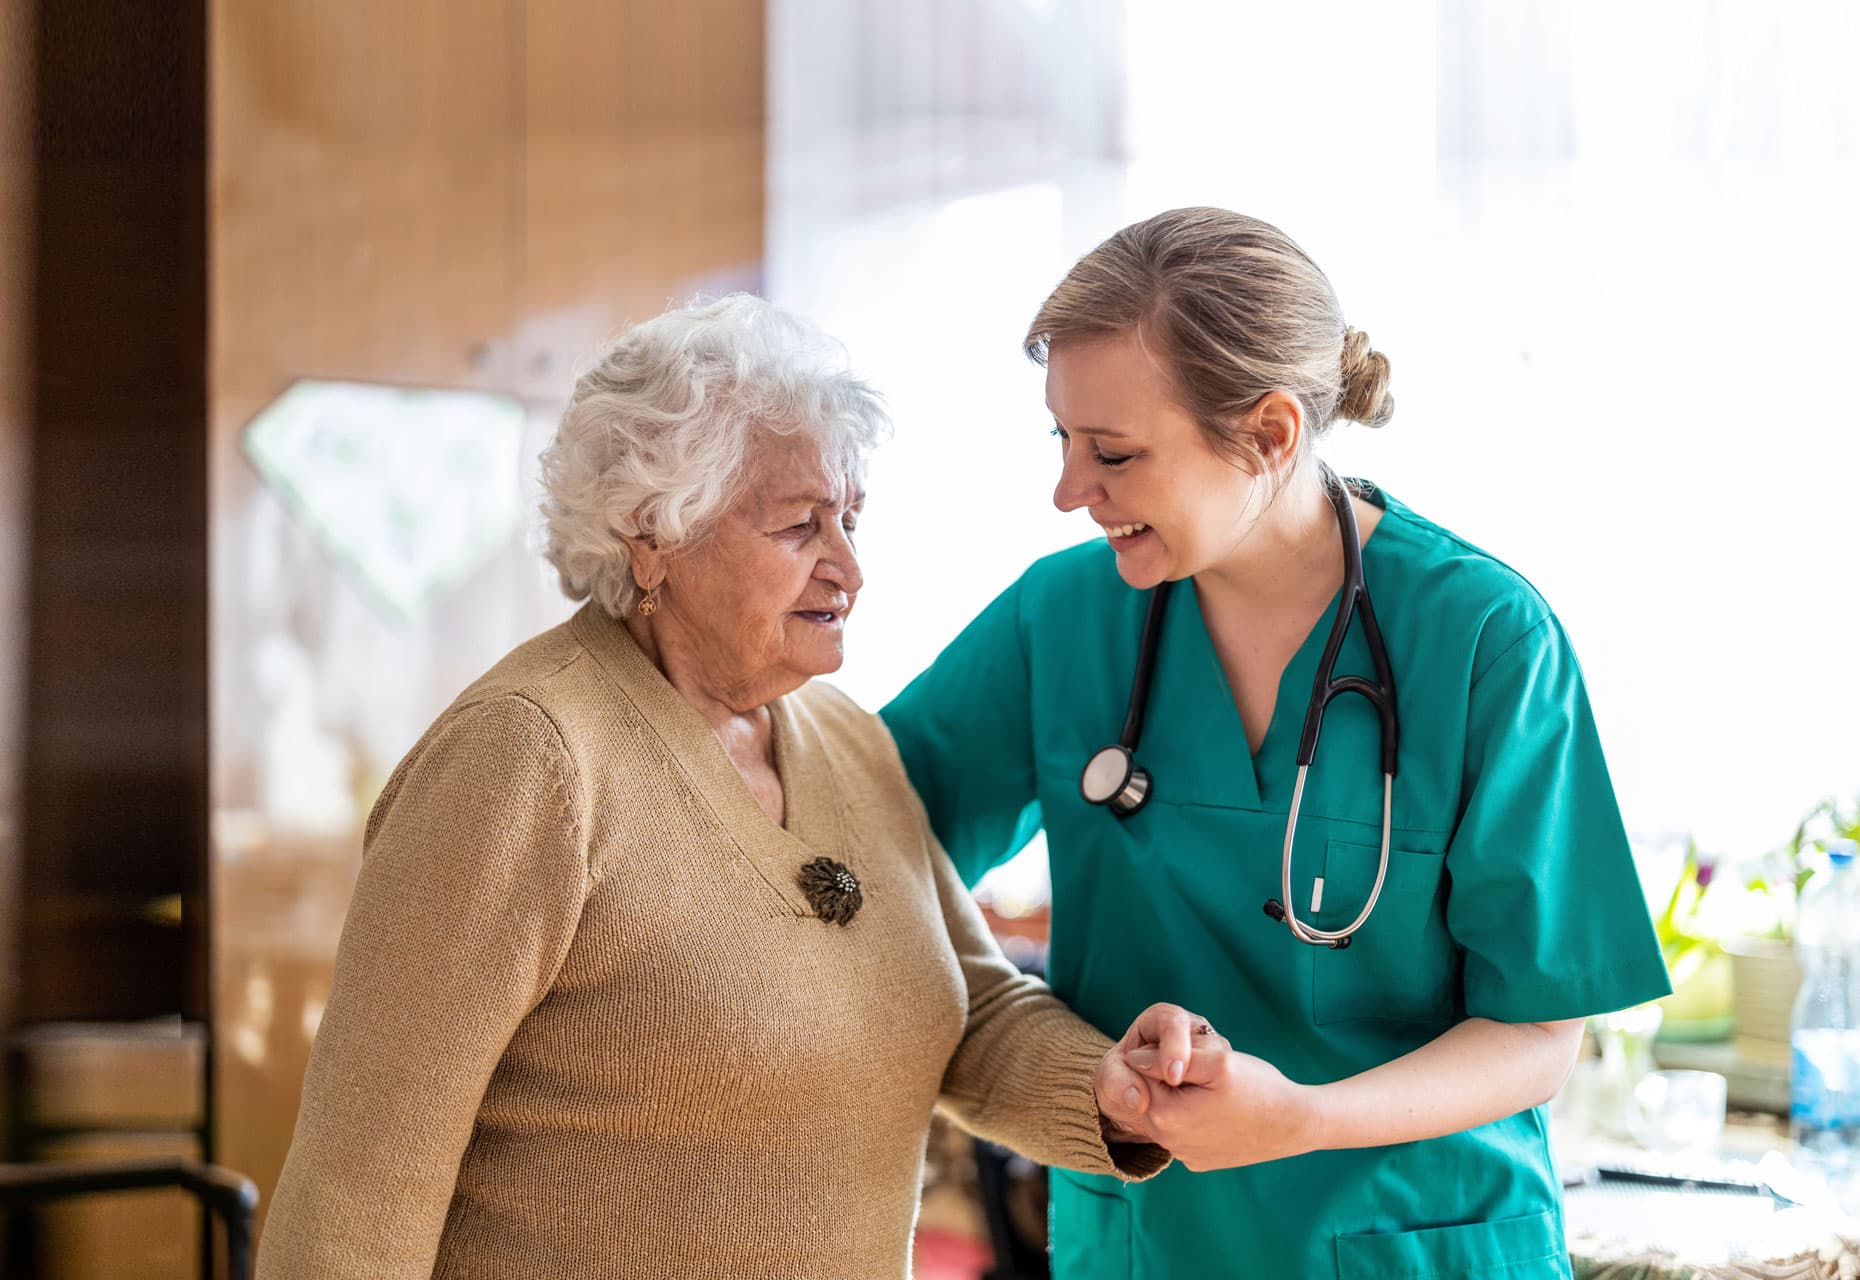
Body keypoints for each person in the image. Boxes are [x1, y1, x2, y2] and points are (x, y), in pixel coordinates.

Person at [254, 294, 1216, 1280]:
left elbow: (967, 1010)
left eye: (851, 517)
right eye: (801, 525)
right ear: (651, 536)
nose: (850, 565)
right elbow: (360, 1187)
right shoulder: (529, 757)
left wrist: (1109, 1085)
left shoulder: (847, 741)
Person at [879, 207, 1672, 1279]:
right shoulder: (1060, 619)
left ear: (1270, 432)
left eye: (1113, 451)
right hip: (1147, 1242)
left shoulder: (1482, 639)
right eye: (1060, 440)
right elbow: (865, 843)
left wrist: (1299, 1116)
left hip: (1416, 1240)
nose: (1069, 491)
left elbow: (1539, 1036)